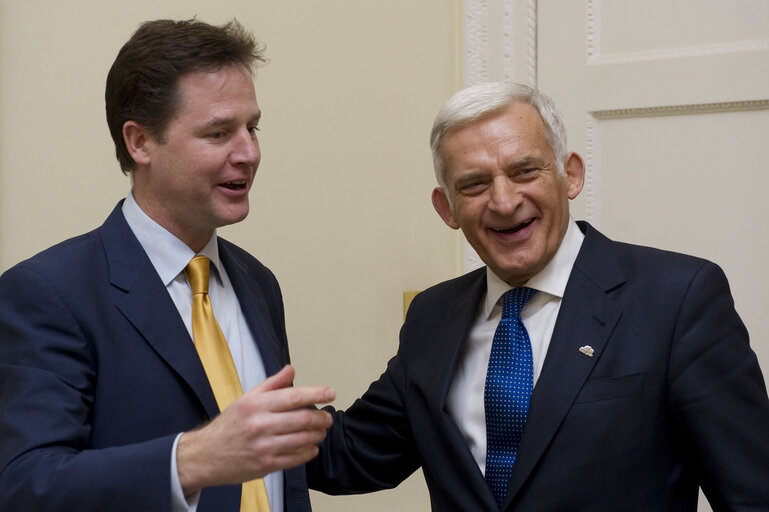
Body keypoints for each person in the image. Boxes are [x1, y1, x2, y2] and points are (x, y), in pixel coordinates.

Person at [307, 82, 769, 510]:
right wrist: (239, 420)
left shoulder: (676, 299)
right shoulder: (433, 315)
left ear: (570, 175)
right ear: (447, 207)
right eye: (474, 184)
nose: (504, 202)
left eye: (524, 171)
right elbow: (354, 455)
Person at [0, 19, 335, 512]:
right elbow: (25, 485)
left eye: (252, 127)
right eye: (219, 132)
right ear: (139, 142)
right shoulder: (48, 292)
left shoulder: (258, 283)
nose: (250, 153)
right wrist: (191, 461)